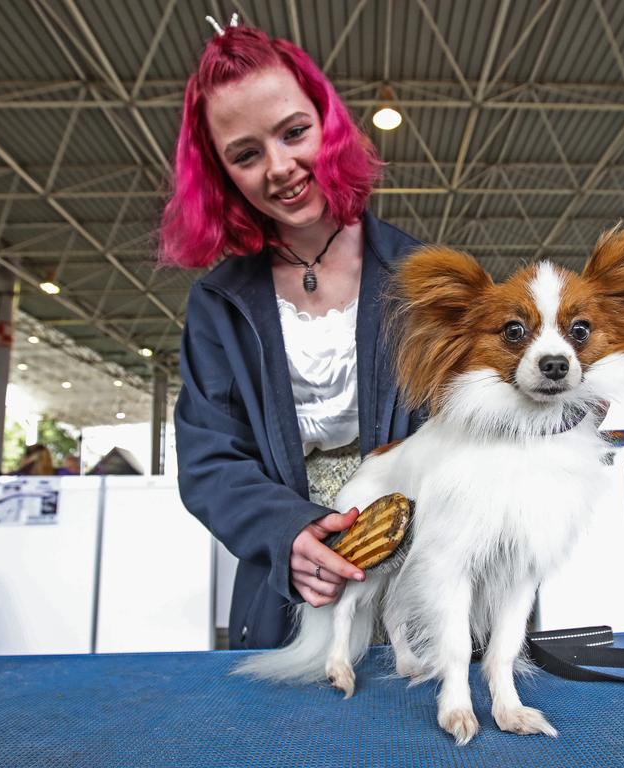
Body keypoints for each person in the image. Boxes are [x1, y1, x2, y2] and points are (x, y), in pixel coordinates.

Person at [164, 20, 424, 649]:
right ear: (221, 172)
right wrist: (288, 533)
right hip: (288, 596)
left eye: (294, 132)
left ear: (328, 123)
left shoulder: (424, 278)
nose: (279, 168)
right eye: (246, 154)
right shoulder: (218, 303)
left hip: (426, 591)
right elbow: (209, 460)